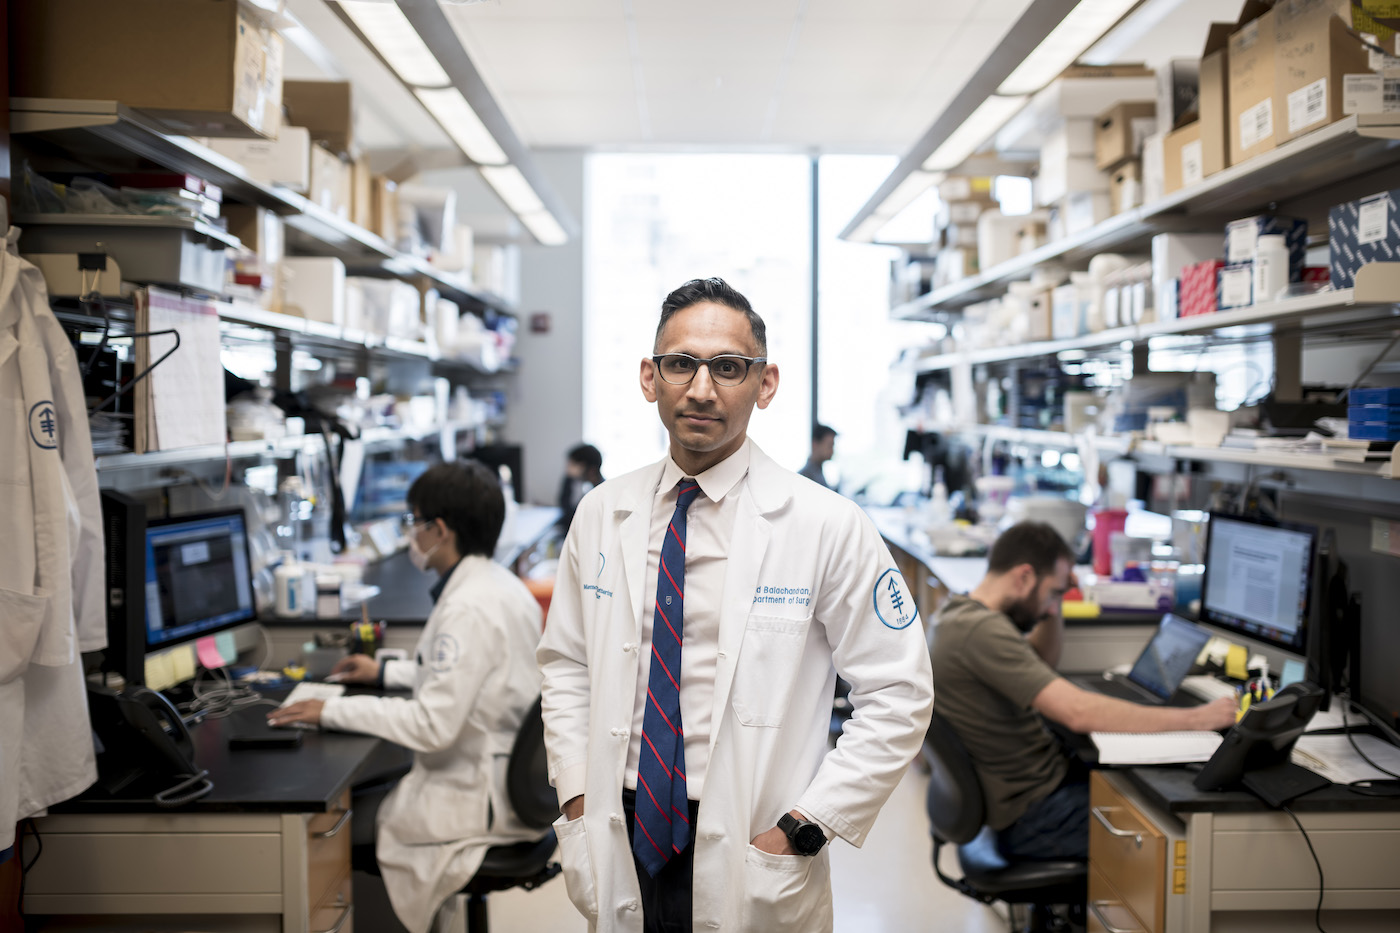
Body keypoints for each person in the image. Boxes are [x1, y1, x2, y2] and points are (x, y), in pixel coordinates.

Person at [537, 277, 934, 933]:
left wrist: (806, 825)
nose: (700, 388)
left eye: (727, 367)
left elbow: (899, 691)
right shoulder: (604, 512)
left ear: (765, 382)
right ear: (649, 376)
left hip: (757, 837)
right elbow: (566, 664)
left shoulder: (826, 524)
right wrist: (579, 796)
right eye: (680, 364)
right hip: (620, 823)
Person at [269, 461, 543, 933]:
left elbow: (432, 726)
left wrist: (331, 709)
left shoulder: (467, 606)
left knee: (327, 830)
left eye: (413, 522)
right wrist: (386, 673)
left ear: (439, 529)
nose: (410, 535)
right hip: (506, 782)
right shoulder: (498, 584)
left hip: (475, 797)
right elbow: (469, 677)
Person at [929, 521, 1236, 861]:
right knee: (1180, 843)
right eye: (1053, 593)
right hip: (1035, 816)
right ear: (1024, 577)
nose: (1050, 607)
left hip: (1030, 798)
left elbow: (1041, 662)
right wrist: (1196, 718)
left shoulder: (959, 614)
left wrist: (1053, 602)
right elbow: (1078, 713)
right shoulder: (982, 631)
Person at [558, 442, 605, 530]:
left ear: (590, 469)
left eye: (572, 465)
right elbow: (565, 507)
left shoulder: (603, 492)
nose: (568, 470)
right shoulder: (572, 481)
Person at [798, 423, 837, 488]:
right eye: (830, 446)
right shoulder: (804, 477)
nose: (832, 451)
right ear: (815, 444)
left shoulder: (818, 472)